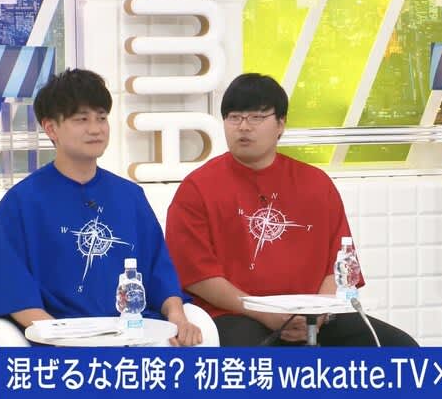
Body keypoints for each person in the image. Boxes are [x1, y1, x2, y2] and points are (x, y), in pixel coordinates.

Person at [165, 73, 418, 346]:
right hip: (237, 314)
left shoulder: (316, 183)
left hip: (316, 315)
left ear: (281, 124)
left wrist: (317, 314)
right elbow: (197, 276)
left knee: (399, 348)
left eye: (256, 117)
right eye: (234, 117)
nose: (244, 127)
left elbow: (341, 265)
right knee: (266, 360)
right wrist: (266, 314)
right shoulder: (197, 188)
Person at [0, 69, 202, 346]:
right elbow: (13, 291)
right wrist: (68, 338)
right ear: (51, 128)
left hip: (135, 336)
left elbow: (160, 272)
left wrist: (178, 316)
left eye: (102, 117)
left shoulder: (130, 196)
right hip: (61, 342)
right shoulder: (20, 203)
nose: (96, 129)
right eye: (81, 119)